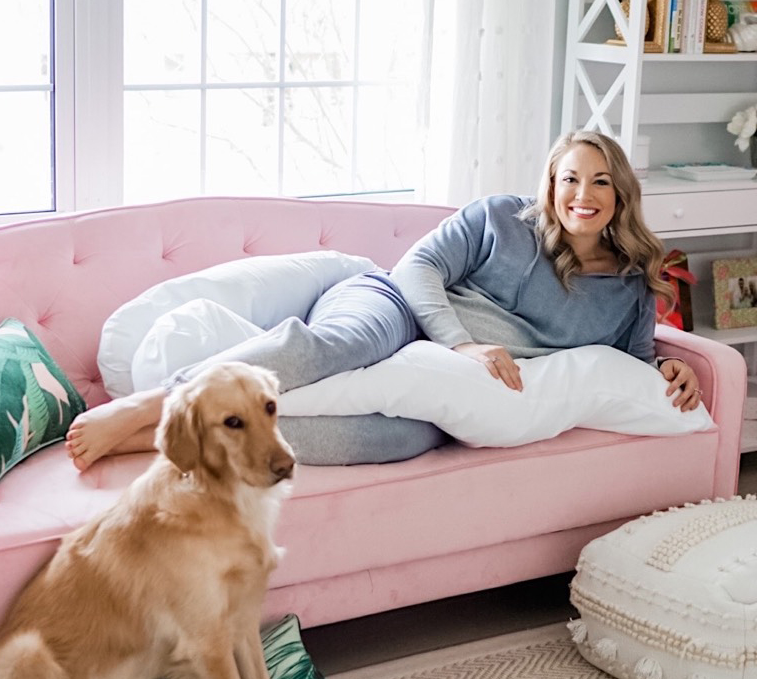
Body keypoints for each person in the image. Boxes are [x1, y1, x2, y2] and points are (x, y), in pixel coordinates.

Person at [65, 130, 702, 471]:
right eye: (569, 180)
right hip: (392, 306)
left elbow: (633, 362)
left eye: (598, 183)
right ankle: (161, 401)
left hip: (437, 377)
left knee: (395, 441)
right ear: (551, 185)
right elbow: (417, 266)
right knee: (342, 345)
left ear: (620, 195)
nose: (580, 196)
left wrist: (670, 371)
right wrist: (464, 344)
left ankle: (173, 441)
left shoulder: (628, 288)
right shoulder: (501, 218)